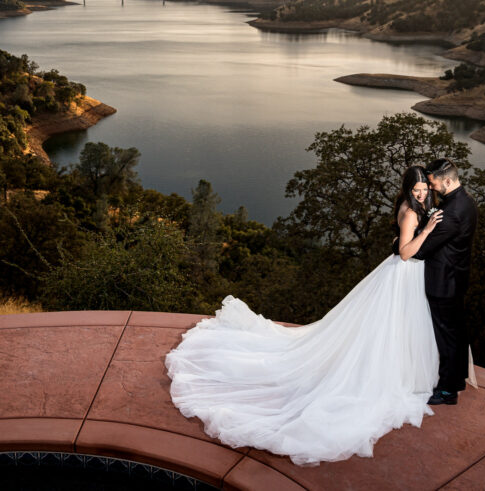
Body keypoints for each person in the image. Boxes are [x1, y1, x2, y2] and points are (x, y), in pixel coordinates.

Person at [165, 165, 443, 466]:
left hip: (406, 277)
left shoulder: (416, 206)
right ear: (406, 189)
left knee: (390, 330)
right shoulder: (412, 212)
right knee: (388, 329)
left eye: (425, 189)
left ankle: (394, 369)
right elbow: (404, 252)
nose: (422, 193)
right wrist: (426, 231)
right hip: (403, 275)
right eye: (416, 189)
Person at [414, 158, 478, 406]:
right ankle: (457, 380)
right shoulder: (467, 201)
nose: (430, 188)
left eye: (432, 183)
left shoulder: (450, 214)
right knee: (457, 333)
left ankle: (448, 390)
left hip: (443, 283)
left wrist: (420, 231)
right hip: (458, 278)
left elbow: (421, 251)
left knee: (447, 338)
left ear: (448, 181)